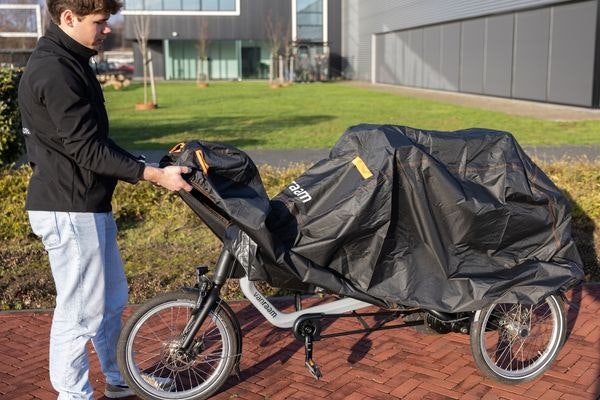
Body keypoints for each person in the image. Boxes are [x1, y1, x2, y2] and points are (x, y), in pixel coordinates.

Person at [17, 0, 193, 398]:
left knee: (111, 301)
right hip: (69, 207)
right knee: (80, 313)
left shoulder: (71, 60)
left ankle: (119, 377)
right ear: (68, 18)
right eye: (99, 21)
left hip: (85, 204)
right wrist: (153, 176)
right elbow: (86, 151)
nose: (107, 29)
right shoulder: (56, 70)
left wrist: (146, 163)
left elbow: (92, 141)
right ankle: (73, 394)